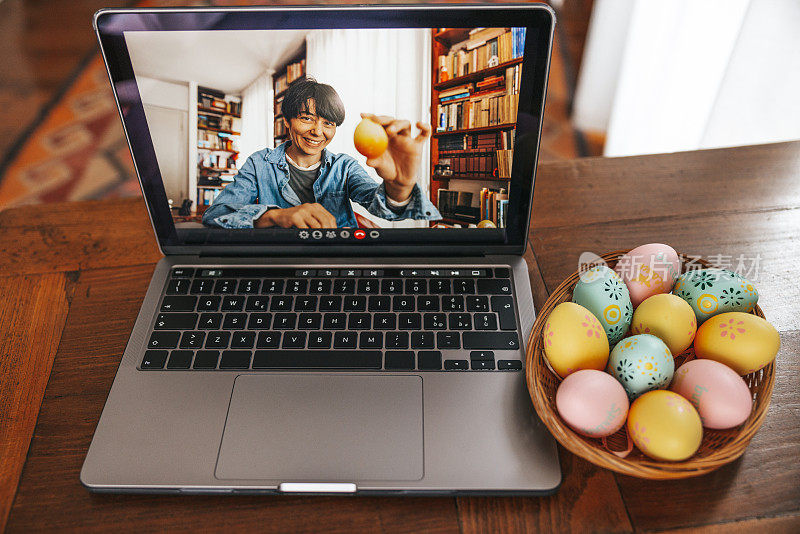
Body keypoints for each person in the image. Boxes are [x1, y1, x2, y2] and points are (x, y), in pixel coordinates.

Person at [202, 77, 441, 229]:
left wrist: (399, 186)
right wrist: (277, 216)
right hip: (281, 263)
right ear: (287, 121)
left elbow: (381, 207)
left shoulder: (344, 167)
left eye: (329, 124)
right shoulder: (260, 163)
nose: (317, 132)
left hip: (339, 263)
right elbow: (217, 214)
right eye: (307, 118)